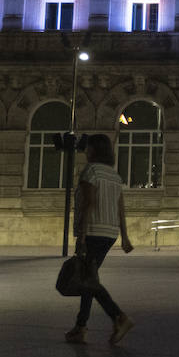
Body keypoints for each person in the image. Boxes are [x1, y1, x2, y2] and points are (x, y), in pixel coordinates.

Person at [64, 134, 134, 346]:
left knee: (90, 280)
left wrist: (82, 237)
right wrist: (125, 237)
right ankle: (80, 327)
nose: (86, 151)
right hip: (109, 233)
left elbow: (89, 204)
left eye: (88, 148)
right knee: (88, 279)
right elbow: (120, 208)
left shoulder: (91, 171)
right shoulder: (114, 175)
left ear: (94, 150)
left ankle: (119, 317)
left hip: (93, 232)